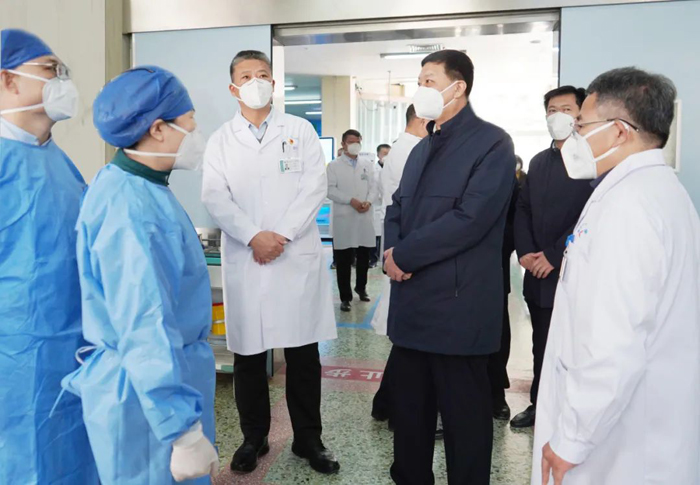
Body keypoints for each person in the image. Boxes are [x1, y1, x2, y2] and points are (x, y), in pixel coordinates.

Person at [534, 67, 700, 485]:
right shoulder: (658, 191)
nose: (574, 135)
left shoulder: (629, 208)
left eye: (582, 125)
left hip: (618, 443)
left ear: (619, 131)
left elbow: (612, 341)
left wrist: (571, 439)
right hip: (645, 427)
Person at [60, 66, 218, 484]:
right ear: (159, 128)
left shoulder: (140, 188)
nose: (196, 130)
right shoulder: (130, 209)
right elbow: (144, 324)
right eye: (189, 120)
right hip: (147, 399)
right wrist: (181, 431)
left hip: (155, 385)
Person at [201, 50, 339, 475]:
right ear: (233, 88)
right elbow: (214, 196)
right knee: (248, 354)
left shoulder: (299, 130)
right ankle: (253, 437)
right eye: (246, 76)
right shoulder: (221, 140)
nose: (256, 82)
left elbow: (315, 186)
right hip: (247, 257)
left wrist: (280, 236)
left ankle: (308, 439)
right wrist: (253, 236)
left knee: (303, 355)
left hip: (293, 255)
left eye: (262, 74)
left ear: (274, 84)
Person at [384, 50, 516, 485]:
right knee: (410, 416)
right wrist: (390, 253)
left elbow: (470, 220)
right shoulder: (421, 148)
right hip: (412, 308)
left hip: (458, 309)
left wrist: (405, 256)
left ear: (458, 87)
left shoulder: (492, 144)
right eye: (419, 81)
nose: (421, 88)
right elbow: (397, 207)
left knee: (465, 422)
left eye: (429, 80)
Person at [0, 29, 99, 485]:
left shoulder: (60, 161)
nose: (62, 81)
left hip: (71, 345)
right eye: (49, 70)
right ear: (7, 80)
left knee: (69, 457)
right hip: (15, 356)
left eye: (63, 71)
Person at [511, 85, 593, 429]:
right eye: (551, 110)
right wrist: (526, 252)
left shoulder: (592, 161)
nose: (557, 116)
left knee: (576, 345)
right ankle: (540, 404)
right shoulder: (539, 161)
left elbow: (590, 217)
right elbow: (523, 209)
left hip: (573, 271)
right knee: (541, 342)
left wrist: (556, 254)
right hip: (538, 272)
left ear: (580, 115)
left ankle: (572, 411)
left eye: (566, 109)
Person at [371, 105, 428, 425]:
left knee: (409, 341)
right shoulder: (411, 151)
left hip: (406, 249)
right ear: (422, 119)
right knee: (408, 341)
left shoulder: (406, 148)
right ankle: (395, 410)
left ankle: (386, 404)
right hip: (407, 252)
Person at [327, 129, 378, 312]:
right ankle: (345, 297)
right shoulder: (333, 166)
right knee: (343, 260)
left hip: (364, 216)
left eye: (358, 141)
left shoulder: (367, 165)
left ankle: (361, 288)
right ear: (343, 144)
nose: (355, 144)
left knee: (364, 257)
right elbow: (330, 190)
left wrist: (368, 201)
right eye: (351, 141)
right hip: (344, 217)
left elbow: (374, 187)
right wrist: (350, 200)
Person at [487, 178, 519, 421]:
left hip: (493, 264)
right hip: (452, 266)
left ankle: (496, 391)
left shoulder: (501, 169)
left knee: (497, 332)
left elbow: (516, 220)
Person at [370, 144, 390, 267]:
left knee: (384, 235)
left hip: (387, 206)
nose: (387, 156)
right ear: (378, 155)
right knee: (375, 235)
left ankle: (382, 258)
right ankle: (373, 259)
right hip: (376, 206)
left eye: (389, 153)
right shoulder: (373, 170)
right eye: (384, 153)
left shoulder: (391, 168)